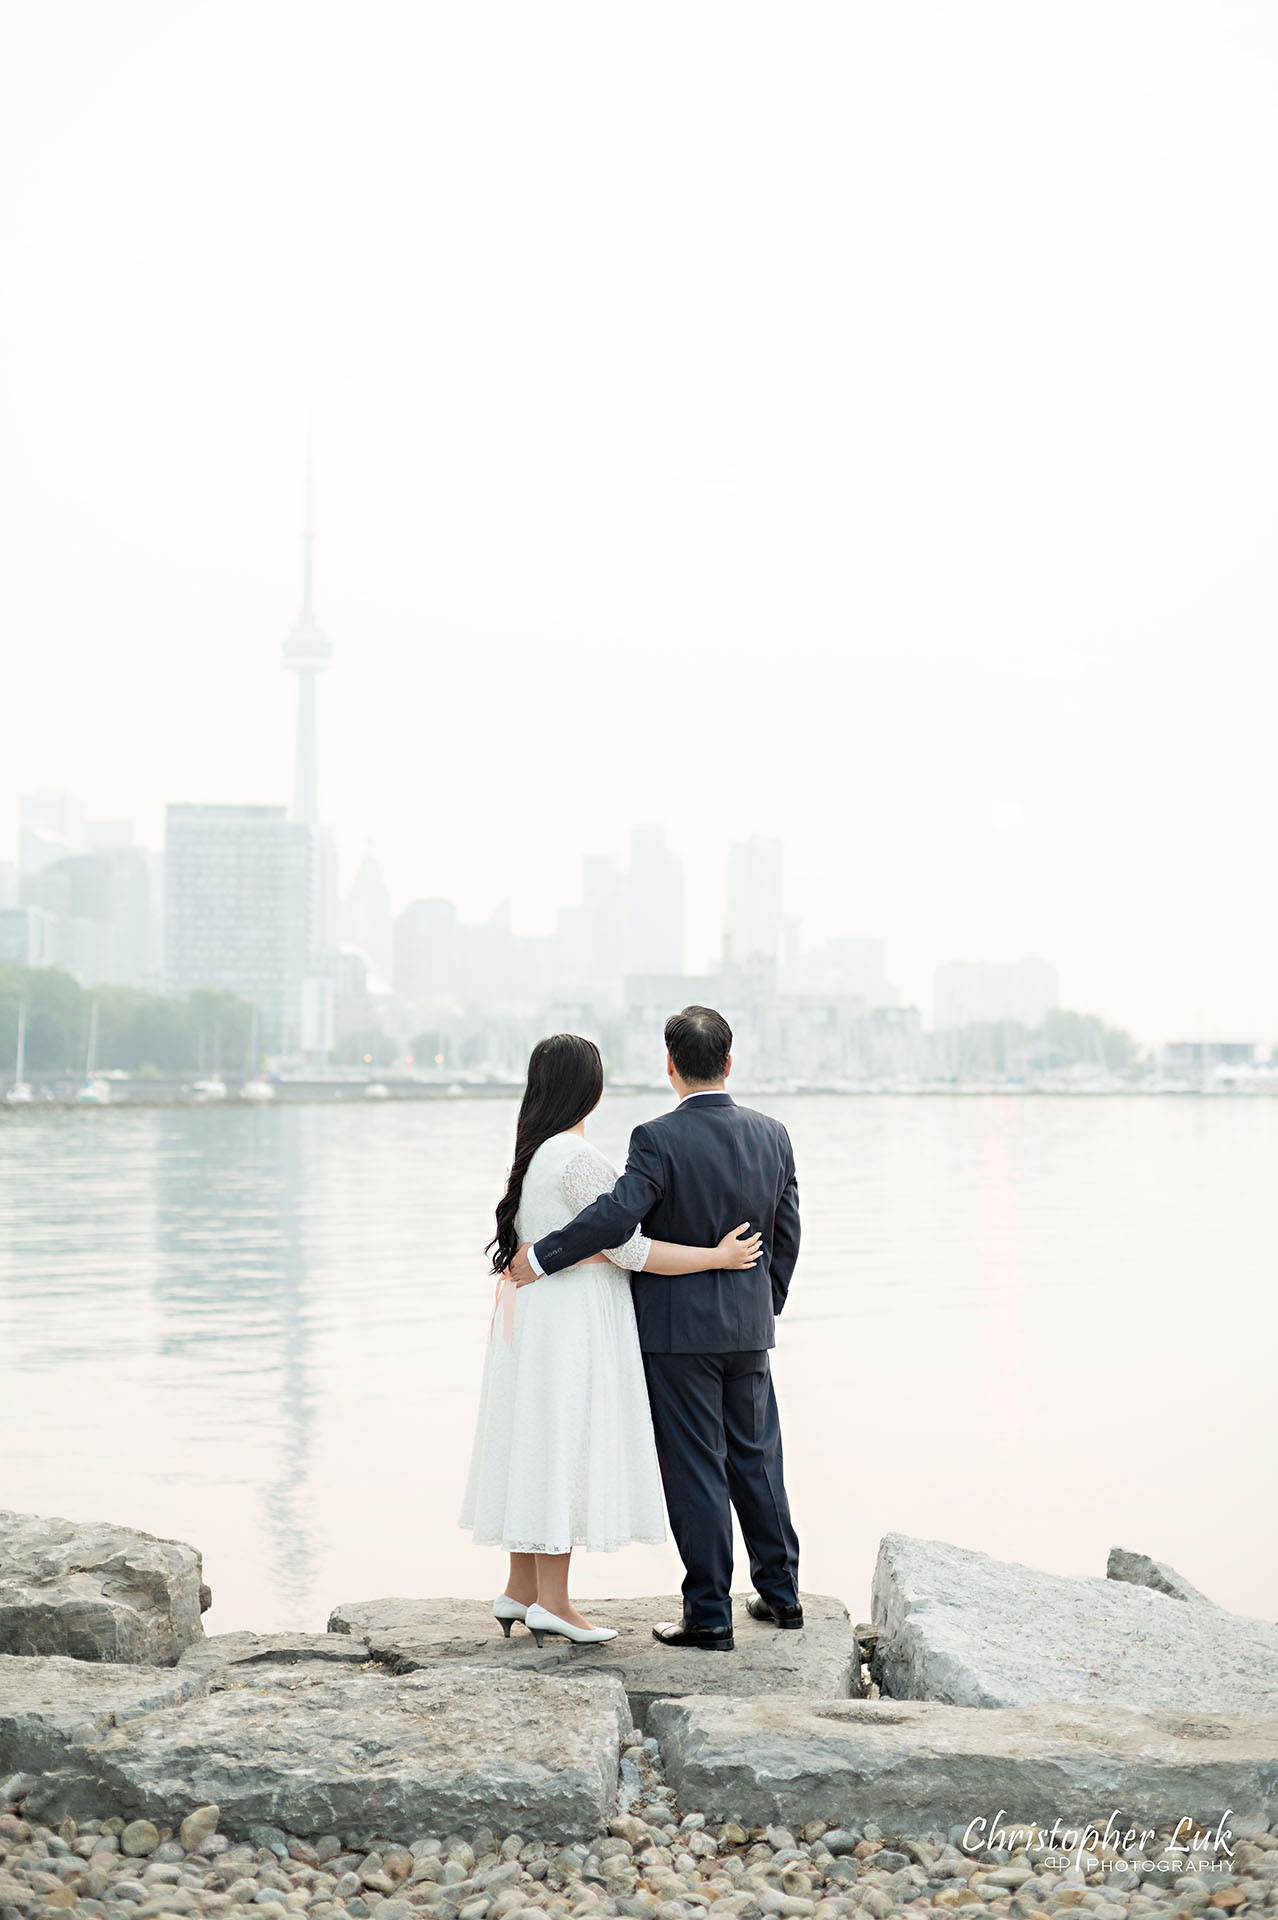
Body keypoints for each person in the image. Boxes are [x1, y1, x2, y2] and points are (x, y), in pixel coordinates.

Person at [507, 1004, 801, 1651]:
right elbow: (787, 1234)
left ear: (670, 1066)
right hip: (749, 1331)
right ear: (730, 1062)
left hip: (677, 1335)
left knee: (697, 1468)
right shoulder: (774, 1135)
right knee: (758, 1459)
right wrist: (762, 1303)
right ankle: (781, 1596)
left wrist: (541, 1256)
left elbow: (616, 1221)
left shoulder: (656, 1139)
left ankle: (709, 1616)